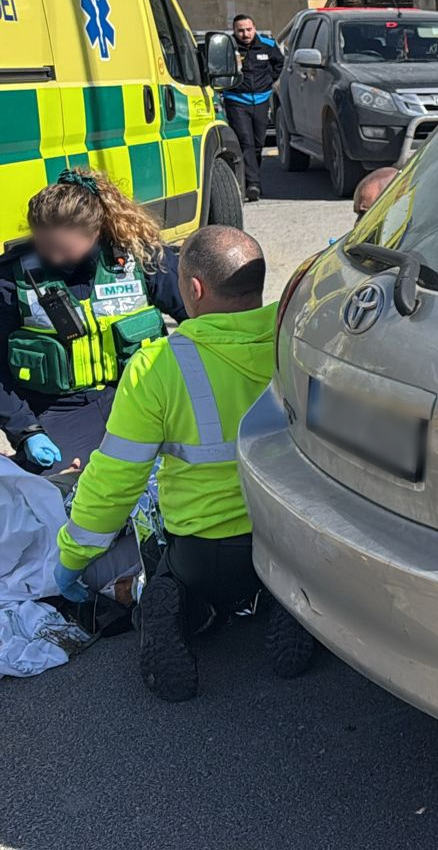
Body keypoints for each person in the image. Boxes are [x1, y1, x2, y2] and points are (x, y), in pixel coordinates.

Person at [51, 225, 316, 700]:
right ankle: (291, 604)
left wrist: (73, 557)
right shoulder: (297, 337)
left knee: (161, 559)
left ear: (193, 289)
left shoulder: (158, 368)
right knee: (288, 577)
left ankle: (181, 608)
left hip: (205, 553)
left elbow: (114, 481)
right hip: (290, 540)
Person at [3, 170, 182, 477]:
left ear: (95, 233)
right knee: (58, 497)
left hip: (143, 398)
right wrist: (26, 430)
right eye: (44, 246)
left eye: (63, 248)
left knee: (174, 478)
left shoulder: (140, 258)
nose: (53, 257)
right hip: (60, 411)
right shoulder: (10, 280)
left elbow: (202, 321)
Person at [225, 14, 286, 204]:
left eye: (248, 29)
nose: (245, 34)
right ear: (234, 31)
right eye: (240, 30)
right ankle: (252, 185)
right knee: (246, 142)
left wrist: (269, 81)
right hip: (236, 100)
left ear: (254, 28)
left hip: (260, 100)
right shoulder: (228, 47)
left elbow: (280, 63)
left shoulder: (267, 45)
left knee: (259, 144)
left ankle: (252, 180)